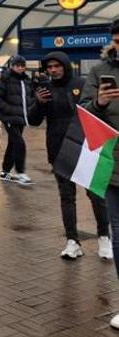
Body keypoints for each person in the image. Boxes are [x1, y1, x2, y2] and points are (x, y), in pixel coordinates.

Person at [29, 51, 110, 260]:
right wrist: (38, 102)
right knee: (67, 196)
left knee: (95, 195)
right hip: (58, 149)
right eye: (49, 67)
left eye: (57, 66)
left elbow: (97, 112)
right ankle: (72, 241)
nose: (53, 70)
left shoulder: (81, 83)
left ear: (65, 65)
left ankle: (104, 237)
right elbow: (34, 121)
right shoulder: (44, 89)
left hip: (85, 148)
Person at [81, 21, 119, 329]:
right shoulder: (99, 71)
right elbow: (85, 112)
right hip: (114, 167)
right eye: (117, 40)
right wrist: (99, 102)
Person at [0, 54, 35, 185]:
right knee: (19, 143)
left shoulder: (27, 80)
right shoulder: (5, 79)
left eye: (22, 66)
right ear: (12, 66)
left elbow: (30, 97)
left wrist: (29, 107)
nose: (20, 68)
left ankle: (5, 171)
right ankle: (21, 172)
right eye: (17, 65)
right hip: (9, 117)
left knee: (12, 144)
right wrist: (8, 109)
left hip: (21, 118)